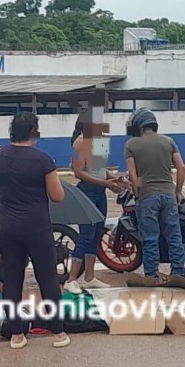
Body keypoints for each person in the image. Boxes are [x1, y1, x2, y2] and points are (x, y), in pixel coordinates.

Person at [0, 112, 71, 350]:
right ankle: (58, 332)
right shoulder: (43, 159)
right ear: (33, 132)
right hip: (36, 226)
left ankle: (16, 334)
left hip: (7, 225)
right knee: (46, 277)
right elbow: (57, 196)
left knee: (12, 278)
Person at [64, 107, 125, 294]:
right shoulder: (79, 143)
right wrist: (106, 182)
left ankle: (89, 277)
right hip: (88, 192)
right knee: (86, 235)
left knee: (97, 234)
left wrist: (113, 179)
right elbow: (79, 172)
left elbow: (99, 169)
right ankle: (71, 279)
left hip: (99, 192)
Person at [124, 108, 185, 281]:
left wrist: (137, 194)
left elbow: (133, 175)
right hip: (168, 196)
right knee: (174, 236)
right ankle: (179, 273)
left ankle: (152, 275)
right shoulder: (169, 141)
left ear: (138, 125)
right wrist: (178, 191)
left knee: (150, 238)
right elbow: (181, 167)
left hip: (148, 197)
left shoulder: (132, 144)